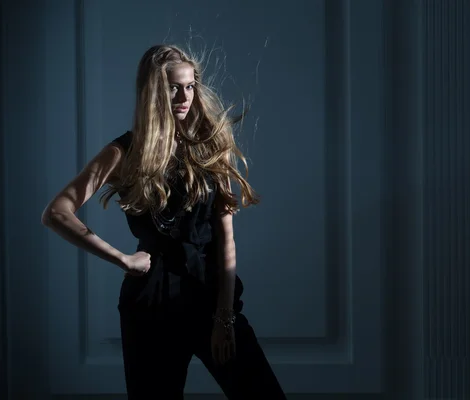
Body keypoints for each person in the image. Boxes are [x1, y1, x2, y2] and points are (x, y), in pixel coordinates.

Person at [41, 44, 287, 399]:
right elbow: (56, 212)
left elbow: (225, 239)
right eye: (174, 87)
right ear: (153, 91)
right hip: (151, 303)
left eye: (190, 86)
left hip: (209, 295)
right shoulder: (122, 152)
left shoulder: (208, 145)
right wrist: (121, 258)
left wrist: (224, 317)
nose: (184, 96)